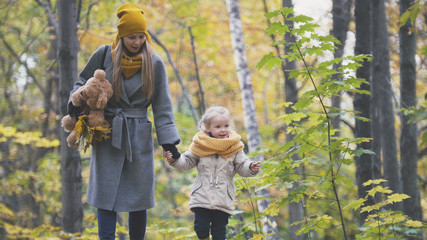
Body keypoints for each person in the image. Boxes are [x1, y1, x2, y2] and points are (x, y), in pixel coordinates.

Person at [67, 3, 181, 240]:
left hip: (138, 133)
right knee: (105, 195)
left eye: (141, 36)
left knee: (138, 197)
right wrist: (78, 99)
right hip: (107, 130)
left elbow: (162, 103)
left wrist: (168, 143)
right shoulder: (104, 54)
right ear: (121, 35)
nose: (137, 42)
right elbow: (81, 83)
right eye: (131, 37)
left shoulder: (154, 62)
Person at [163, 105, 261, 240]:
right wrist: (174, 159)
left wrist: (251, 167)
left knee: (219, 233)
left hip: (223, 198)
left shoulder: (235, 146)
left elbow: (242, 165)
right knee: (200, 229)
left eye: (226, 126)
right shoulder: (200, 144)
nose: (223, 130)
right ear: (207, 127)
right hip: (202, 196)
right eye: (218, 126)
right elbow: (186, 162)